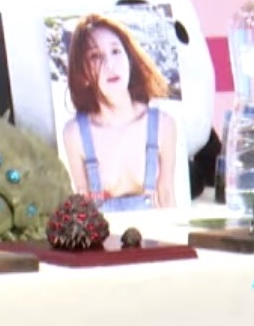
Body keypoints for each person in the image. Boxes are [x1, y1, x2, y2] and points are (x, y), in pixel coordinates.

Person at [59, 14, 178, 212]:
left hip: (153, 230)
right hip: (103, 230)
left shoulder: (163, 125)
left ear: (129, 59)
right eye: (95, 56)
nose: (110, 65)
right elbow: (82, 202)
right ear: (83, 74)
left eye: (115, 51)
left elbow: (167, 195)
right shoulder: (75, 133)